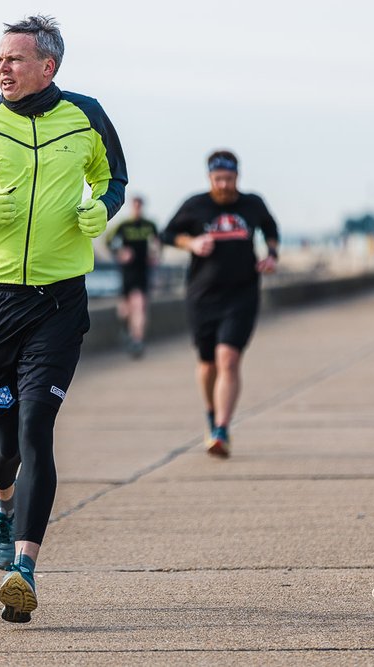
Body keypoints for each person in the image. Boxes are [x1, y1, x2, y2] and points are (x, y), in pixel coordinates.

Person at [0, 15, 127, 623]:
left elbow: (113, 179)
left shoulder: (86, 116)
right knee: (4, 444)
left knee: (39, 426)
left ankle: (25, 570)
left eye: (14, 59)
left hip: (60, 301)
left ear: (48, 66)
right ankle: (3, 504)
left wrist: (103, 211)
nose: (2, 69)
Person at [160, 150, 279, 458]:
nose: (224, 185)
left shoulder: (252, 203)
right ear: (209, 178)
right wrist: (192, 243)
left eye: (229, 178)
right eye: (218, 179)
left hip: (242, 293)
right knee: (207, 363)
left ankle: (222, 429)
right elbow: (167, 233)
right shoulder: (195, 205)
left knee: (228, 358)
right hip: (202, 296)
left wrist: (272, 254)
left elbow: (270, 228)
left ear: (238, 177)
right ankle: (212, 414)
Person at [105, 196, 160, 357]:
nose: (137, 209)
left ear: (142, 207)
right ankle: (125, 330)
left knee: (140, 304)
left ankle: (138, 341)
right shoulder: (123, 225)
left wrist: (155, 256)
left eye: (139, 206)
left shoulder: (150, 226)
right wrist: (119, 253)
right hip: (126, 271)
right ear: (131, 207)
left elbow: (158, 244)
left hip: (143, 271)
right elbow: (108, 241)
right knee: (124, 309)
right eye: (135, 206)